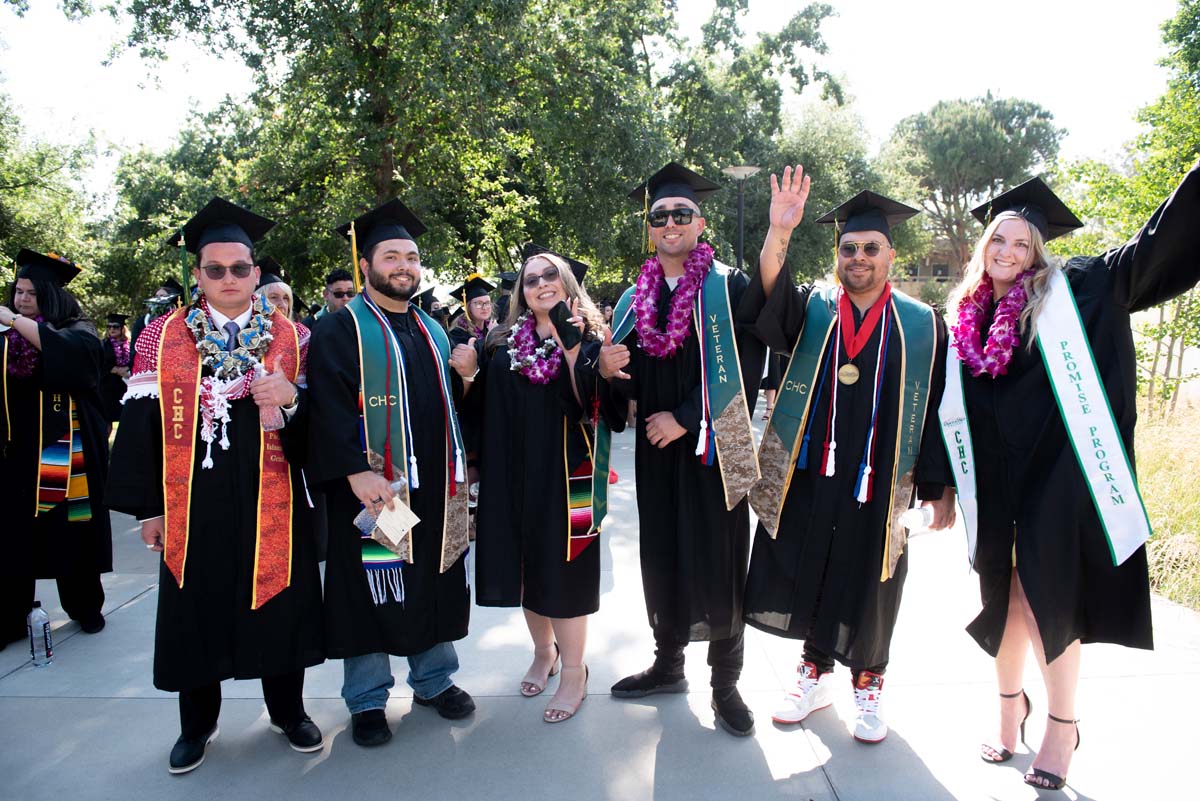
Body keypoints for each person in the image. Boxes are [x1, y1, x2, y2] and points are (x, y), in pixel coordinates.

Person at [940, 164, 1200, 790]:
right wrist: (940, 483)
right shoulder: (963, 314)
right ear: (983, 247)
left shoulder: (1075, 286)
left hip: (1056, 480)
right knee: (1000, 601)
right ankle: (1009, 711)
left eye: (1022, 242)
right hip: (994, 480)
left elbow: (1149, 252)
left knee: (1045, 600)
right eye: (998, 240)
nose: (1008, 251)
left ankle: (1062, 726)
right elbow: (938, 406)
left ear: (1039, 251)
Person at [106, 197, 325, 774]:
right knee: (193, 606)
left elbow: (320, 424)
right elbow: (139, 431)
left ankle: (289, 711)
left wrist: (292, 399)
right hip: (191, 501)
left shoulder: (294, 337)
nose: (229, 279)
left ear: (257, 270)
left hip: (272, 496)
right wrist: (148, 509)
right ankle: (197, 725)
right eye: (215, 269)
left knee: (278, 598)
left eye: (241, 268)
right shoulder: (161, 337)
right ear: (197, 274)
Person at [741, 171, 955, 745]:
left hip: (883, 478)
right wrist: (777, 232)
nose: (857, 257)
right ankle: (813, 672)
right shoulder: (815, 308)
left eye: (870, 248)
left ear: (890, 253)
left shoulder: (922, 323)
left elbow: (934, 409)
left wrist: (938, 489)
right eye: (848, 248)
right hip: (815, 470)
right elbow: (768, 300)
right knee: (816, 562)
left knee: (874, 576)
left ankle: (869, 682)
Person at [597, 162, 765, 737]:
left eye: (681, 214)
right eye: (659, 216)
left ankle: (726, 683)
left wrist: (688, 417)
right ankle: (669, 664)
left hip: (714, 450)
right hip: (657, 452)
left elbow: (748, 364)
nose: (670, 223)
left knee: (720, 561)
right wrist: (610, 371)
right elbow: (625, 380)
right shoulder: (632, 297)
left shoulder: (728, 285)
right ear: (650, 229)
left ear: (700, 222)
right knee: (663, 555)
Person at [306, 198, 478, 748]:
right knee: (372, 587)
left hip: (433, 488)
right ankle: (367, 698)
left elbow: (448, 404)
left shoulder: (433, 329)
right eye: (390, 255)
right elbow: (328, 409)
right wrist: (356, 473)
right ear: (367, 265)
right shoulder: (341, 328)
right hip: (380, 489)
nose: (403, 265)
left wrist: (469, 385)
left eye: (410, 256)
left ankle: (433, 680)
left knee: (430, 578)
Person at [476, 247, 612, 723]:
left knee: (566, 572)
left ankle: (574, 671)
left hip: (568, 473)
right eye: (531, 279)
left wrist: (571, 345)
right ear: (521, 291)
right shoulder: (503, 341)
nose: (541, 284)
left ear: (567, 280)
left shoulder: (592, 335)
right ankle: (544, 651)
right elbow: (485, 406)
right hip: (513, 472)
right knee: (527, 566)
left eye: (550, 275)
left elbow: (590, 405)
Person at [0, 250, 111, 648]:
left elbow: (74, 362)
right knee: (12, 536)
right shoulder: (7, 338)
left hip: (66, 454)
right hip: (16, 454)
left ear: (50, 294)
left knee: (71, 530)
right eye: (18, 292)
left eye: (31, 293)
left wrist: (16, 321)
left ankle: (85, 608)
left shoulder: (77, 330)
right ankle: (9, 618)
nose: (22, 299)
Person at [129, 277, 183, 365]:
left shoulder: (178, 320)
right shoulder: (142, 322)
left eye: (163, 296)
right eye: (156, 296)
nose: (158, 299)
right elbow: (133, 350)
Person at [99, 312, 132, 426]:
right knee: (106, 420)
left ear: (123, 328)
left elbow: (134, 359)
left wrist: (127, 369)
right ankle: (103, 443)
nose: (112, 329)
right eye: (109, 326)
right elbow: (99, 363)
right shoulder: (103, 344)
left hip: (125, 386)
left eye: (115, 326)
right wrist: (118, 370)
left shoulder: (131, 345)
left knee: (127, 418)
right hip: (107, 387)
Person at [449, 274, 497, 346]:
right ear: (469, 307)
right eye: (478, 303)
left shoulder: (491, 326)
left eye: (487, 303)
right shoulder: (458, 333)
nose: (484, 308)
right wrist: (491, 336)